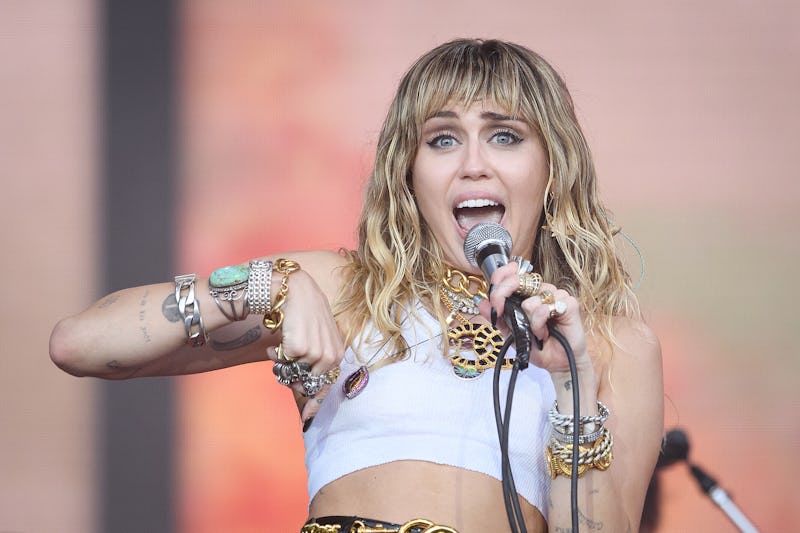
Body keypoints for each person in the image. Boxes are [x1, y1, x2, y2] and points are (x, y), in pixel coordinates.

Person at [50, 38, 663, 533]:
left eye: (505, 136)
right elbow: (80, 343)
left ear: (552, 167)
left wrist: (570, 379)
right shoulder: (350, 290)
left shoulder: (609, 342)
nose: (473, 163)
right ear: (409, 173)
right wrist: (272, 285)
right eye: (442, 138)